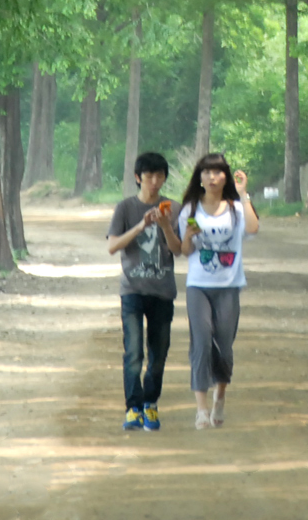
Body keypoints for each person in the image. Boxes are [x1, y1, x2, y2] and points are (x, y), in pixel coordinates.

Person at [175, 152, 259, 429]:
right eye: (206, 172)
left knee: (224, 346)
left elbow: (254, 229)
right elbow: (186, 250)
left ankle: (219, 397)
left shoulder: (236, 208)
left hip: (229, 286)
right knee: (200, 342)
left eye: (218, 172)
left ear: (226, 175)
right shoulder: (190, 210)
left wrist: (244, 194)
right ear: (199, 177)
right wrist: (188, 236)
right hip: (198, 285)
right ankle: (201, 409)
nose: (212, 177)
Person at [106, 152, 183, 431]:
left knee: (159, 352)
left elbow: (179, 250)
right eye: (148, 176)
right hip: (132, 290)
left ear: (164, 178)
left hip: (163, 290)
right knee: (134, 352)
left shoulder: (173, 208)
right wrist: (141, 226)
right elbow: (112, 246)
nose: (154, 181)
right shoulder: (125, 208)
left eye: (159, 176)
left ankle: (151, 403)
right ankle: (133, 407)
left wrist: (164, 226)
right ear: (138, 178)